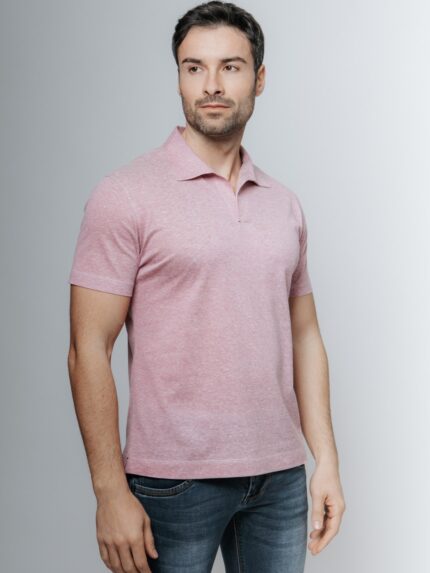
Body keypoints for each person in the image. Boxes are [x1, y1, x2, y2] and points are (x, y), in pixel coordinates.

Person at [67, 2, 346, 572]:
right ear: (178, 78)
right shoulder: (126, 194)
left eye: (230, 67)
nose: (211, 85)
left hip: (279, 479)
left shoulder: (283, 204)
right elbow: (87, 348)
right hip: (172, 482)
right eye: (194, 68)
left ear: (259, 79)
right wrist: (109, 491)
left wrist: (326, 461)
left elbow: (305, 335)